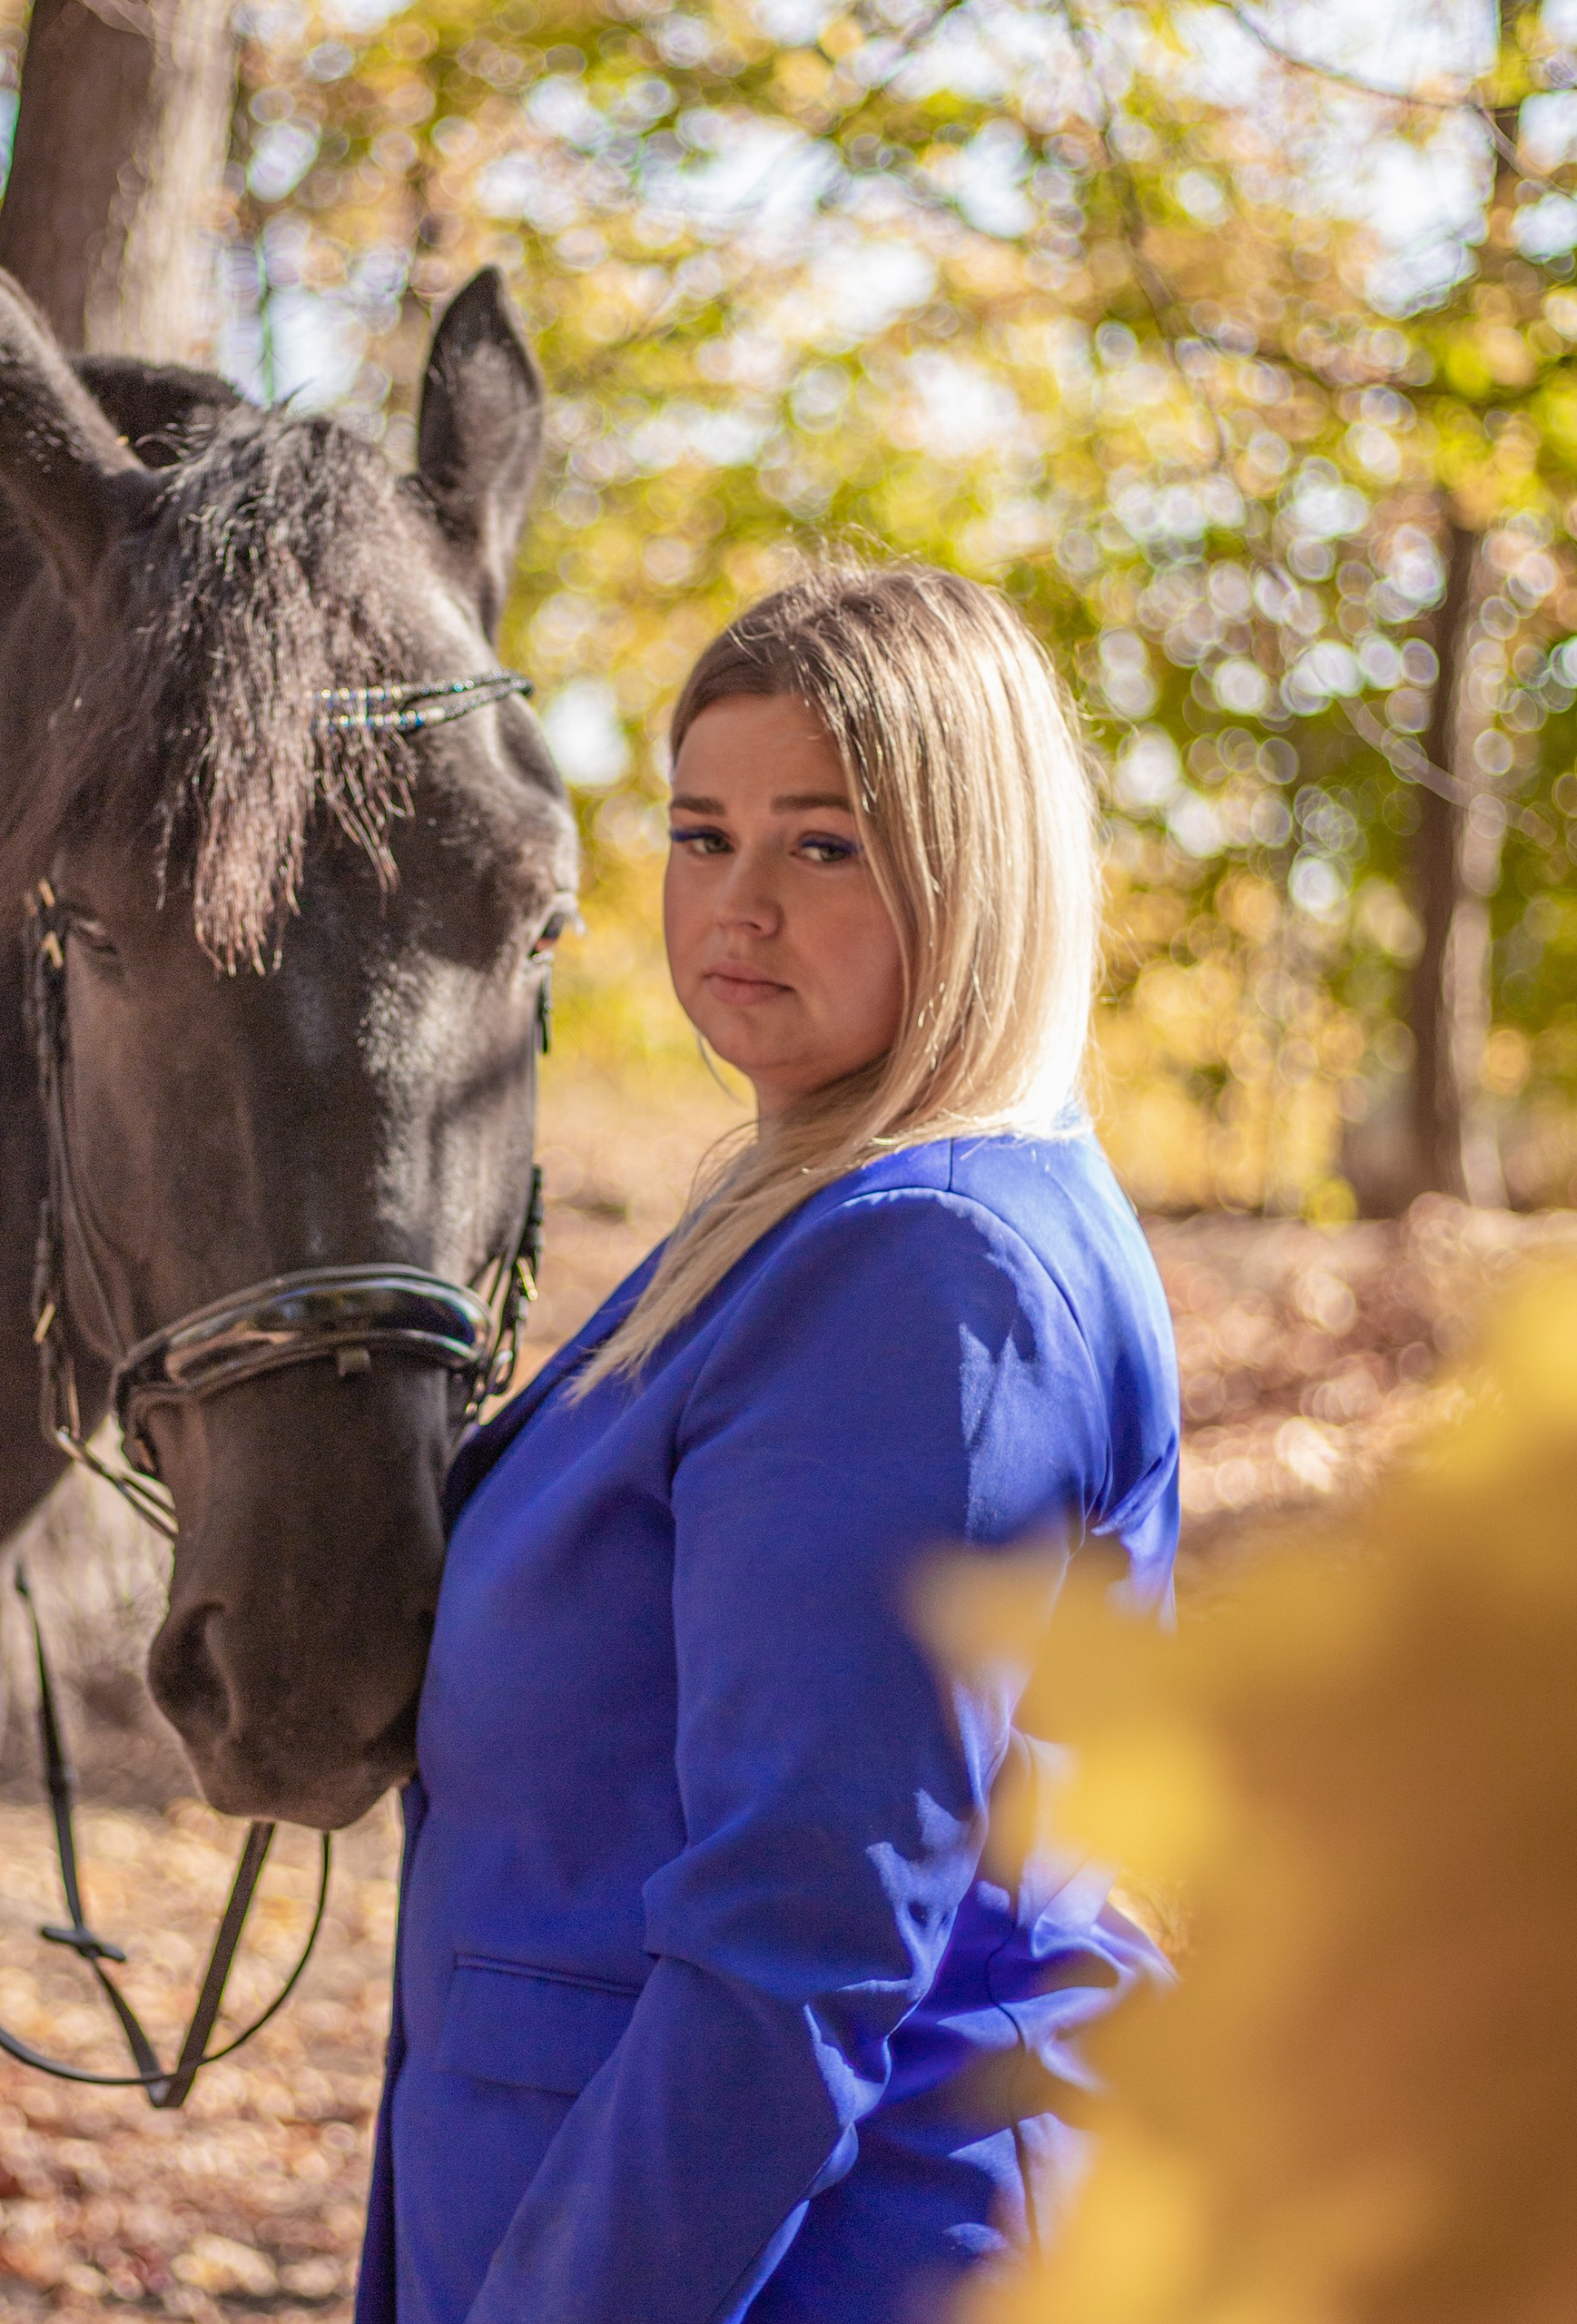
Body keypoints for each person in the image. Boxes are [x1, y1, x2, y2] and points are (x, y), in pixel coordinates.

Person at [355, 564, 1182, 2324]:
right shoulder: (811, 1206)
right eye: (698, 831)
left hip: (805, 2255)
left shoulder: (928, 1271)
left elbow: (794, 1942)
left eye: (821, 843)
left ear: (973, 869)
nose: (735, 904)